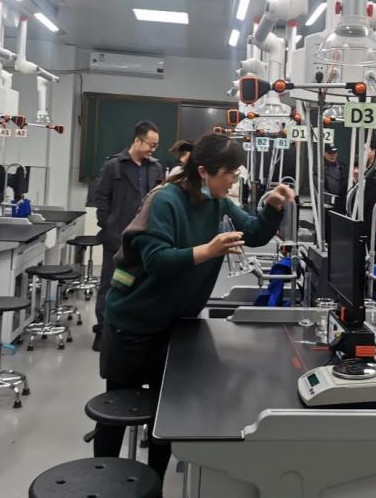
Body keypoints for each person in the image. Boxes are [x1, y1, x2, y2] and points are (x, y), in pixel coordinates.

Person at [95, 133, 294, 480]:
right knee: (118, 408)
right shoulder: (165, 201)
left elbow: (253, 233)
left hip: (177, 323)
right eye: (228, 173)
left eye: (236, 173)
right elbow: (158, 260)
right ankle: (103, 479)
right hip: (134, 323)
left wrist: (273, 206)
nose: (233, 181)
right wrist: (209, 250)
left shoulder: (219, 203)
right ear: (203, 171)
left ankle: (153, 484)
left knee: (166, 412)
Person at [93, 121, 165, 351]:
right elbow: (101, 197)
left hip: (144, 237)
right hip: (116, 236)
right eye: (151, 144)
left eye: (156, 145)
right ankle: (102, 331)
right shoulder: (114, 165)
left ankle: (130, 329)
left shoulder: (155, 167)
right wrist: (108, 224)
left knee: (139, 285)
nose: (154, 149)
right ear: (137, 140)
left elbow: (159, 198)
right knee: (110, 284)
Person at [323, 143, 348, 212]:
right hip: (326, 205)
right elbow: (320, 188)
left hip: (342, 204)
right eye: (330, 153)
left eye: (335, 153)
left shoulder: (343, 167)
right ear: (325, 153)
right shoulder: (319, 168)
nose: (333, 155)